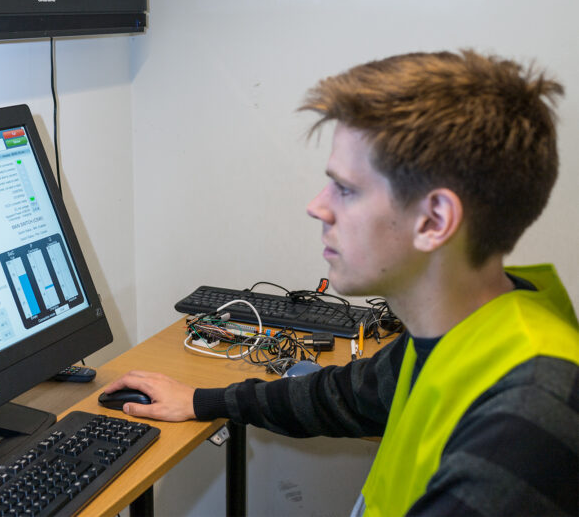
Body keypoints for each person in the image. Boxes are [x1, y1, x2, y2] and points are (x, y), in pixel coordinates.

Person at [103, 50, 579, 516]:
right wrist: (201, 400)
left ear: (434, 220)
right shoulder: (468, 329)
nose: (317, 206)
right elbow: (341, 396)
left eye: (346, 189)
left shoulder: (526, 420)